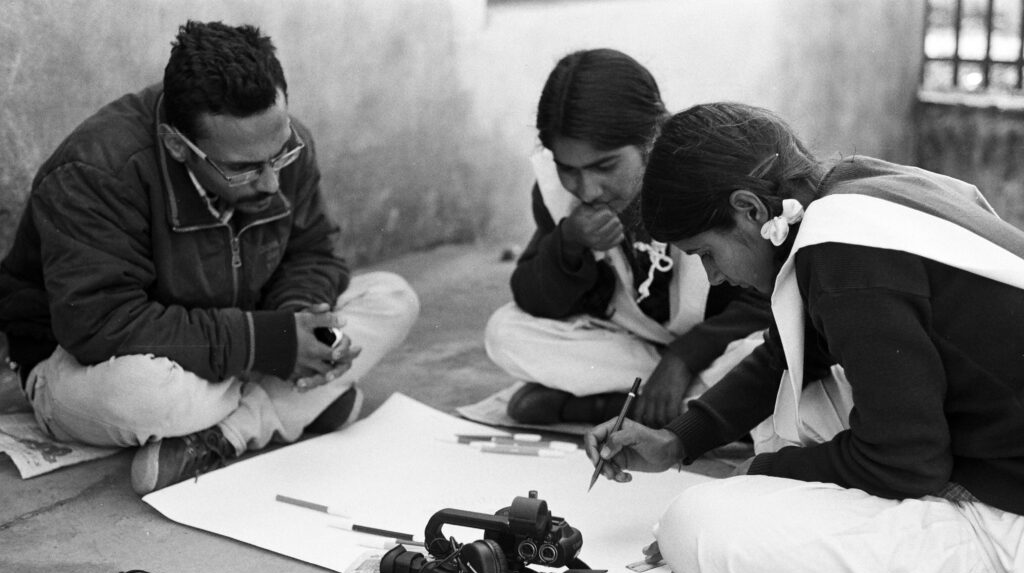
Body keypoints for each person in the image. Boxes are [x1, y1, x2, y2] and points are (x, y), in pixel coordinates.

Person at [585, 102, 1024, 573]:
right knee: (798, 401)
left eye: (706, 253)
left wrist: (758, 473)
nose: (714, 278)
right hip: (986, 457)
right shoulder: (852, 187)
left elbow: (906, 460)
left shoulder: (844, 256)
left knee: (694, 527)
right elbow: (787, 353)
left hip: (1008, 526)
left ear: (748, 210)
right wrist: (677, 440)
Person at [0, 21, 419, 496]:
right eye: (243, 169)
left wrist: (299, 319)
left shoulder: (280, 144)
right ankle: (293, 405)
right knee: (140, 394)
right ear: (180, 146)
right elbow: (101, 326)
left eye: (279, 155)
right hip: (88, 363)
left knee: (392, 298)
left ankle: (229, 433)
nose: (270, 182)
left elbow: (314, 252)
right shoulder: (97, 171)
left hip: (235, 341)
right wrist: (274, 346)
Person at [484, 49, 770, 428]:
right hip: (633, 346)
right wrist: (569, 244)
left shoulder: (709, 174)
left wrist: (683, 358)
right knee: (505, 333)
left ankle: (606, 406)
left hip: (716, 346)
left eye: (605, 166)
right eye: (567, 168)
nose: (587, 189)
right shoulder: (559, 195)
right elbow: (533, 299)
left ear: (654, 138)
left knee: (776, 354)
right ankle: (689, 409)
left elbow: (767, 298)